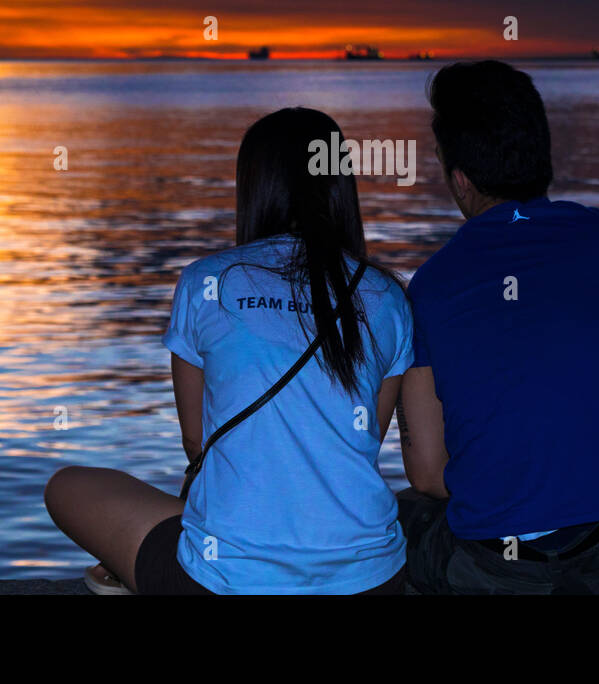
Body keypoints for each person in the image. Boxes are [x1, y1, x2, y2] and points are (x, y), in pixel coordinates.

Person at [45, 108, 414, 594]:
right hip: (371, 579)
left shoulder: (208, 282)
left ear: (254, 187)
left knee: (66, 486)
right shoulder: (387, 296)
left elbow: (197, 444)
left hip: (225, 581)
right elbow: (361, 440)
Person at [396, 60, 599, 594]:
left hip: (500, 566)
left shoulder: (430, 288)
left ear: (459, 178)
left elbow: (430, 475)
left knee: (401, 526)